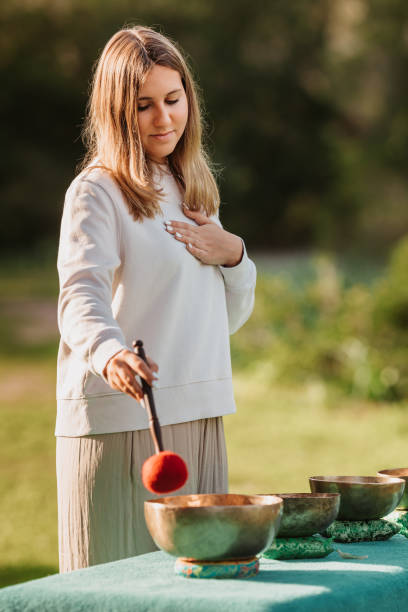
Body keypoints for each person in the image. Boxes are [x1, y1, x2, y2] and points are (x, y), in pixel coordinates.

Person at [56, 25, 256, 573]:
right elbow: (80, 291)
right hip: (125, 419)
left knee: (198, 590)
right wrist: (110, 352)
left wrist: (234, 254)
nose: (164, 118)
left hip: (202, 412)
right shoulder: (97, 190)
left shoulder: (193, 188)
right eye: (144, 106)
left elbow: (225, 318)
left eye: (173, 100)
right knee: (114, 596)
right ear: (117, 110)